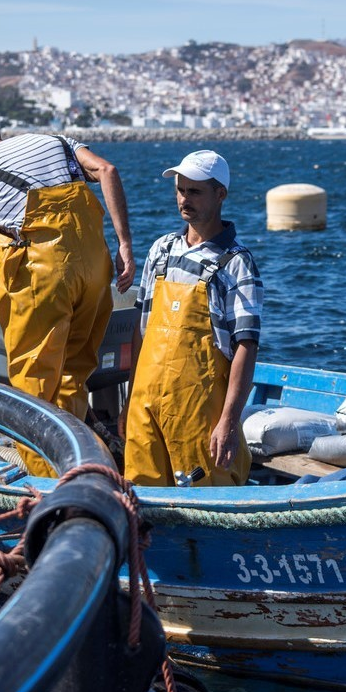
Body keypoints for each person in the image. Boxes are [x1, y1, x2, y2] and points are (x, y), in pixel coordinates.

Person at [0, 102, 134, 476]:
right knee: (73, 375)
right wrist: (124, 244)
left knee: (33, 389)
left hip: (42, 276)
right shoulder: (57, 141)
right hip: (95, 267)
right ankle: (83, 467)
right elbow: (107, 170)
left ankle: (47, 483)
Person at [124, 150, 262, 487]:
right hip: (145, 407)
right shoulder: (161, 250)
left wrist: (229, 421)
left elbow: (246, 346)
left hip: (199, 414)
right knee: (139, 497)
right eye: (181, 190)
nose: (185, 199)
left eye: (195, 192)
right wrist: (128, 402)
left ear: (220, 195)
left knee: (204, 495)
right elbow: (140, 330)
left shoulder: (236, 263)